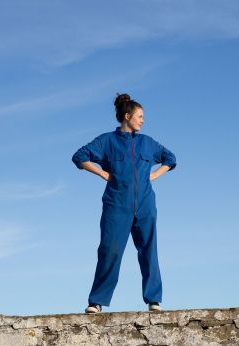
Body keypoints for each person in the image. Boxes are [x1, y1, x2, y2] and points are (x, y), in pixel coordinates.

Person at [71, 92, 177, 313]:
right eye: (140, 116)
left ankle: (153, 300)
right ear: (127, 116)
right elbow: (79, 156)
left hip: (146, 205)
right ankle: (96, 301)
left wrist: (156, 175)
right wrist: (102, 173)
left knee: (149, 250)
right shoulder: (107, 141)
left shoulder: (147, 143)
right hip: (116, 205)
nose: (143, 120)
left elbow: (171, 158)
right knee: (110, 250)